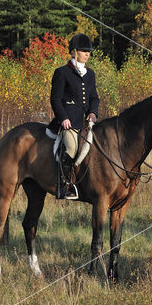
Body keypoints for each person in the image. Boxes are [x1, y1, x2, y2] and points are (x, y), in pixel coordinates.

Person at [48, 33, 99, 199]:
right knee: (71, 147)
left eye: (89, 52)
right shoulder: (62, 72)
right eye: (84, 51)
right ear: (74, 51)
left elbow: (94, 97)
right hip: (67, 122)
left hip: (85, 122)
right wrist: (63, 118)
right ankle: (64, 186)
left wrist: (93, 112)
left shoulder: (90, 74)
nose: (87, 54)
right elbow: (55, 99)